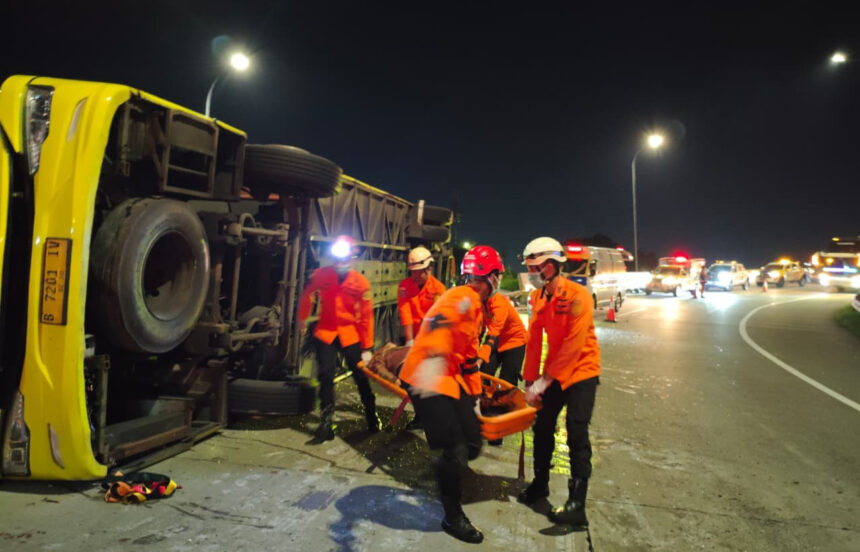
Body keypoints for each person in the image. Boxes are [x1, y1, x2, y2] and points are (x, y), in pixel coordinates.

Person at [399, 245, 504, 544]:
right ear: (492, 276)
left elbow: (469, 358)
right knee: (455, 449)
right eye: (498, 275)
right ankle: (452, 516)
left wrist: (475, 399)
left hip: (446, 375)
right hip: (427, 376)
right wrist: (432, 373)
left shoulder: (474, 304)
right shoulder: (462, 299)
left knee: (472, 443)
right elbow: (438, 330)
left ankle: (444, 467)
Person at [517, 236, 600, 531]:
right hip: (553, 371)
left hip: (582, 371)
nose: (531, 273)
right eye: (530, 267)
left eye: (535, 267)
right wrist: (530, 381)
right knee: (542, 427)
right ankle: (540, 483)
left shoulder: (578, 296)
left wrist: (545, 380)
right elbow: (533, 340)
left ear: (551, 266)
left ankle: (577, 505)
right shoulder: (537, 298)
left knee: (576, 431)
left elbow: (574, 345)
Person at [297, 235, 379, 442]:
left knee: (360, 376)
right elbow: (308, 294)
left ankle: (371, 414)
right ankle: (326, 421)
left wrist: (367, 347)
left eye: (345, 258)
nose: (341, 262)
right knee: (325, 375)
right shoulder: (322, 275)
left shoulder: (360, 282)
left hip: (350, 334)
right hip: (326, 333)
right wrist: (302, 319)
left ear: (352, 258)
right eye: (338, 258)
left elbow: (366, 316)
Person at [397, 246, 447, 430]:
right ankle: (421, 415)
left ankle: (432, 417)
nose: (415, 276)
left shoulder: (438, 290)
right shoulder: (404, 286)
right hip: (414, 338)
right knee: (410, 380)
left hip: (432, 339)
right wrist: (410, 341)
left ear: (429, 268)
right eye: (412, 272)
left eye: (419, 272)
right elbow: (406, 314)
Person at [478, 292, 527, 445]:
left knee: (507, 382)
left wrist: (480, 358)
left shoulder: (499, 303)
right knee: (484, 374)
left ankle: (500, 428)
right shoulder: (479, 303)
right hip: (498, 340)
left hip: (515, 341)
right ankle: (484, 416)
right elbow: (480, 329)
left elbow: (493, 332)